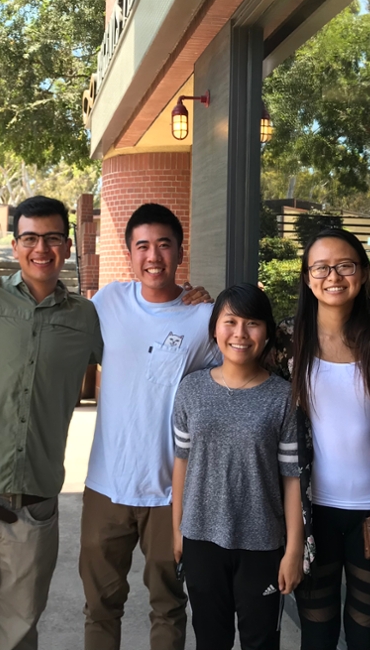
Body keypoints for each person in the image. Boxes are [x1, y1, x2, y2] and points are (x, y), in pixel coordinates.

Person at [0, 195, 103, 650]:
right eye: (30, 238)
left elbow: (143, 363)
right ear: (14, 246)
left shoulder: (87, 319)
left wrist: (190, 304)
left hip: (33, 510)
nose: (40, 248)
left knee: (19, 636)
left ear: (68, 247)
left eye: (51, 238)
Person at [80, 203, 220, 650]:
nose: (153, 255)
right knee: (100, 606)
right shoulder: (107, 303)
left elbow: (237, 373)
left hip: (170, 492)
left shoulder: (205, 318)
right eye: (142, 245)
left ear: (180, 251)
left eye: (164, 244)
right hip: (107, 486)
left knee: (169, 604)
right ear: (129, 253)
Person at [275, 229, 370, 650]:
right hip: (312, 514)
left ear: (362, 273)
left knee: (367, 633)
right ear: (308, 278)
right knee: (318, 634)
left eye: (345, 265)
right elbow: (234, 353)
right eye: (321, 268)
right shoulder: (286, 340)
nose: (333, 276)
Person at [172, 283, 304, 650]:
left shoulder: (282, 397)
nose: (240, 334)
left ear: (267, 333)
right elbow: (181, 462)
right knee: (209, 641)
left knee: (261, 642)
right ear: (215, 328)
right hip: (200, 538)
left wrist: (293, 549)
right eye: (230, 322)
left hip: (261, 543)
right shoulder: (192, 390)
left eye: (252, 324)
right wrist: (177, 529)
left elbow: (292, 479)